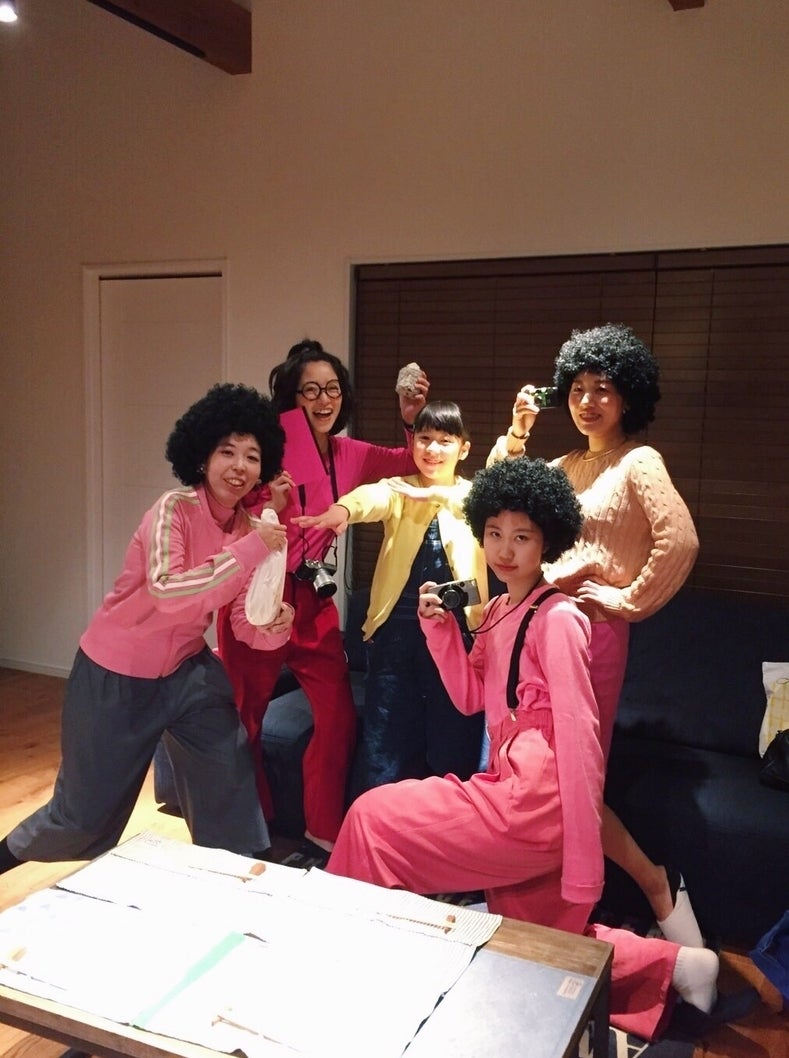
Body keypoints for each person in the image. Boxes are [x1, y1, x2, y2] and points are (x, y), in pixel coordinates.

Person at [326, 456, 719, 1042]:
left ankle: (342, 953)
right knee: (536, 944)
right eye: (494, 533)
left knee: (373, 819)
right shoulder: (500, 610)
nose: (505, 550)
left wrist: (583, 860)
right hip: (511, 788)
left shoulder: (559, 618)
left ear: (547, 542)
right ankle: (683, 968)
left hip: (534, 804)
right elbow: (469, 698)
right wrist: (441, 631)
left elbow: (582, 739)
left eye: (522, 537)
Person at [0, 383, 295, 877]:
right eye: (227, 452)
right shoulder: (173, 509)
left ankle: (244, 877)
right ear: (202, 456)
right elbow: (168, 592)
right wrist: (252, 549)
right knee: (81, 819)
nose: (239, 466)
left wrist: (276, 624)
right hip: (114, 673)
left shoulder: (250, 529)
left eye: (252, 456)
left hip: (187, 672)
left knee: (228, 779)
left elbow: (246, 625)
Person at [487, 322, 703, 946]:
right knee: (534, 772)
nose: (587, 400)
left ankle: (649, 888)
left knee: (571, 777)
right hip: (537, 628)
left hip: (593, 639)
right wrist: (518, 434)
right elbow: (498, 498)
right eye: (578, 388)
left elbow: (680, 541)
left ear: (628, 395)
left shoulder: (640, 461)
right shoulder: (563, 465)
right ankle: (534, 901)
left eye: (602, 388)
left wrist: (626, 601)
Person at [216, 339, 427, 854]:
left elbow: (408, 461)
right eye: (309, 390)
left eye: (331, 388)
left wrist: (412, 418)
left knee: (337, 716)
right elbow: (227, 512)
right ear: (292, 399)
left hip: (312, 599)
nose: (323, 399)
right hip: (255, 597)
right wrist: (270, 498)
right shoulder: (263, 454)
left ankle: (323, 828)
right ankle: (251, 826)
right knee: (244, 716)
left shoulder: (349, 455)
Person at [294, 401, 488, 798]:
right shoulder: (399, 488)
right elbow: (371, 498)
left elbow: (483, 507)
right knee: (387, 732)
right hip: (396, 628)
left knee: (455, 731)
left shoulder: (474, 496)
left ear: (463, 448)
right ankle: (380, 818)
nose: (432, 449)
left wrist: (435, 494)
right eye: (424, 438)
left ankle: (450, 821)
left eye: (445, 441)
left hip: (459, 629)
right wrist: (342, 510)